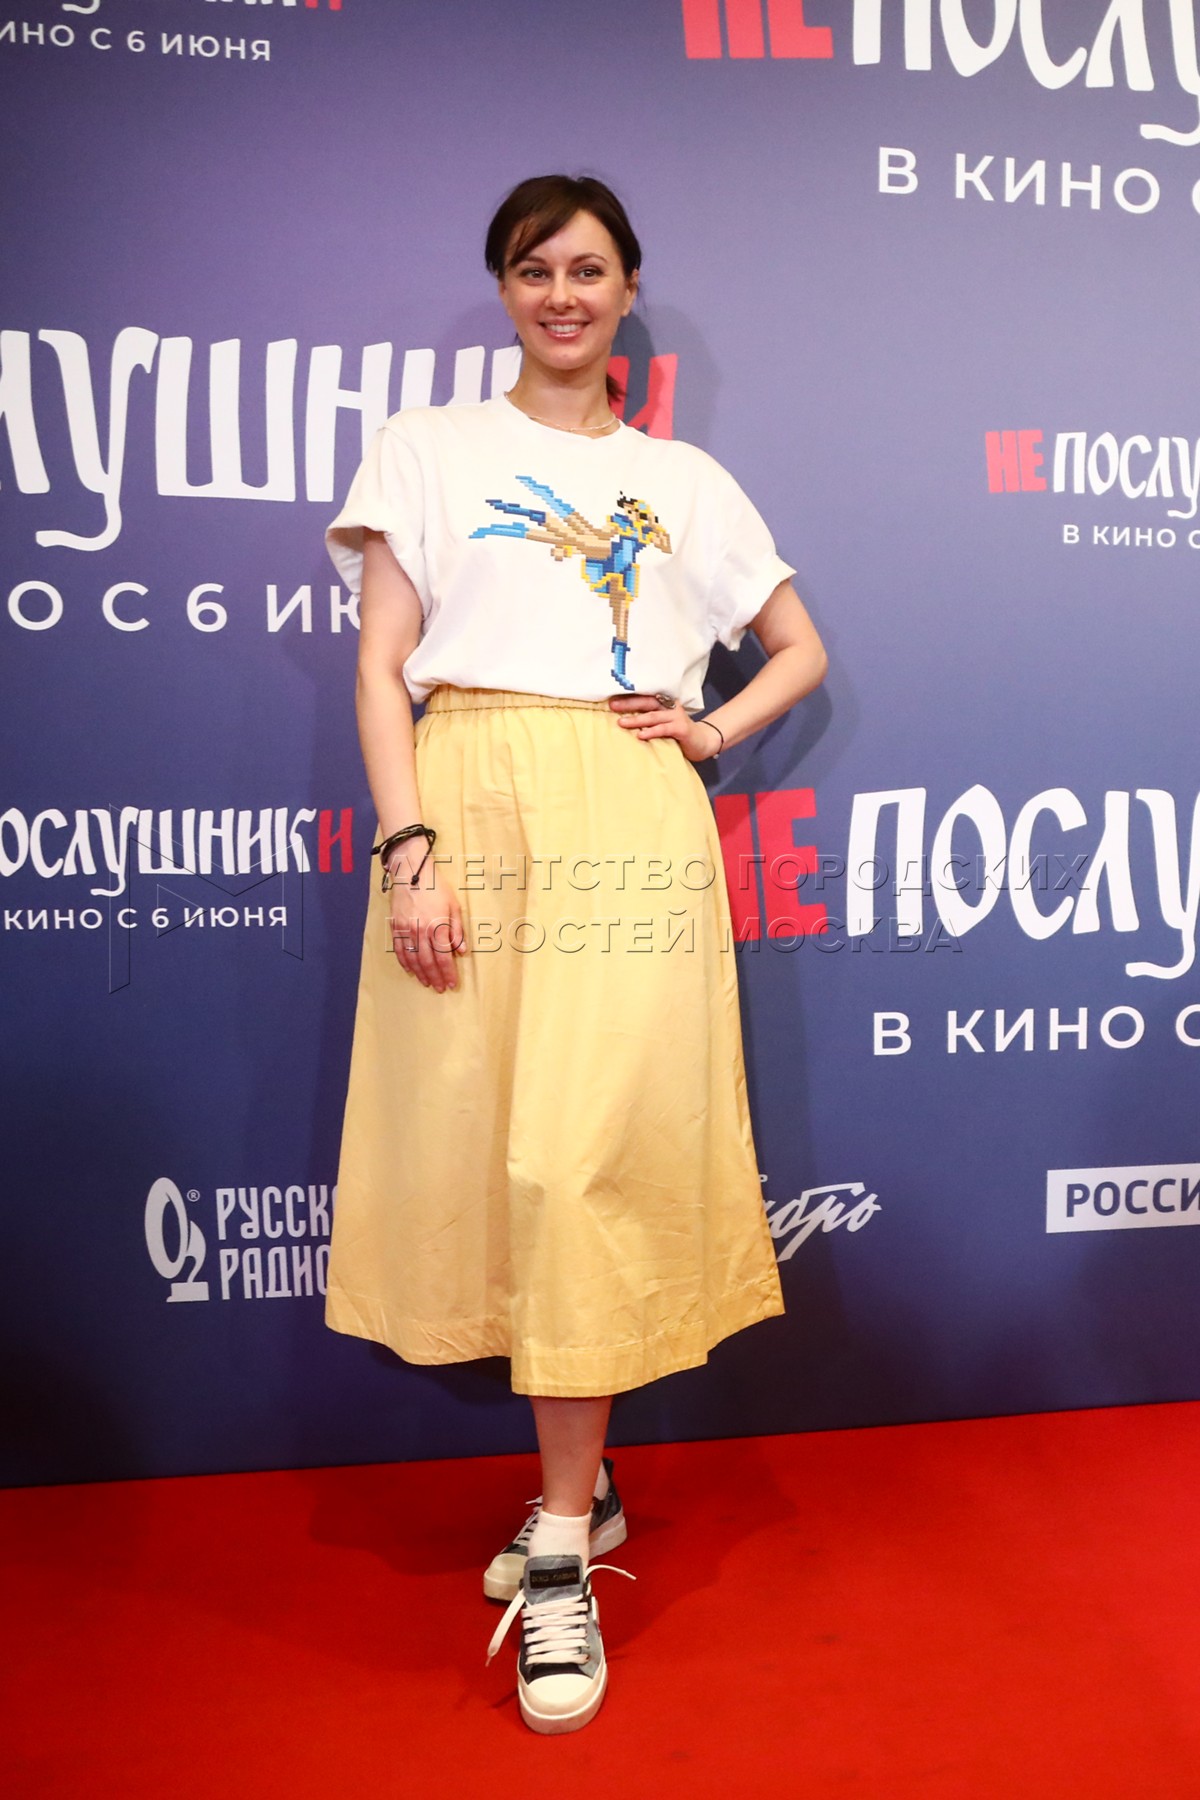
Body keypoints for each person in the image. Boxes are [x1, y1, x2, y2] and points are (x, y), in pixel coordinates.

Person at [324, 174, 828, 1736]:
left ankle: (557, 1546)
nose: (562, 293)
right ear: (504, 288)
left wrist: (712, 730)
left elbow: (800, 648)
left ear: (627, 293)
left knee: (572, 1161)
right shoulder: (429, 448)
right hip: (465, 794)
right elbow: (382, 668)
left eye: (589, 268)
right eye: (536, 267)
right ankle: (588, 1493)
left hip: (627, 807)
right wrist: (408, 845)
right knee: (485, 1152)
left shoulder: (684, 478)